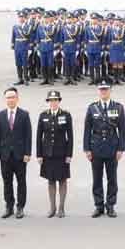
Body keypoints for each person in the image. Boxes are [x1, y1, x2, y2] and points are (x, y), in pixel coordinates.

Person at [84, 80, 125, 218]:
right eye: (101, 89)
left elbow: (122, 129)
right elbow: (87, 129)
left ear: (110, 90)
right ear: (98, 91)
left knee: (112, 178)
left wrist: (121, 148)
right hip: (96, 147)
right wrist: (87, 149)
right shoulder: (92, 108)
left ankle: (111, 205)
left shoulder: (118, 107)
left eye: (106, 89)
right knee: (97, 179)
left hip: (112, 147)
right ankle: (99, 205)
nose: (103, 92)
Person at [0, 87, 32, 219]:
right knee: (7, 182)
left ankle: (20, 207)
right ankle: (9, 206)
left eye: (13, 97)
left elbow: (28, 136)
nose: (10, 99)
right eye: (8, 97)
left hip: (20, 155)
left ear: (17, 98)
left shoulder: (24, 114)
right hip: (5, 156)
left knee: (21, 182)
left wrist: (27, 153)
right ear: (5, 99)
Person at [36, 89, 73, 218]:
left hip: (62, 153)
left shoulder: (66, 115)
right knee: (51, 180)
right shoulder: (43, 115)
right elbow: (39, 136)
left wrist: (69, 155)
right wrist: (39, 154)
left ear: (59, 101)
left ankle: (61, 208)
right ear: (48, 102)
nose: (53, 103)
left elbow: (70, 137)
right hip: (48, 154)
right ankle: (52, 208)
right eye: (51, 100)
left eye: (55, 100)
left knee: (62, 180)